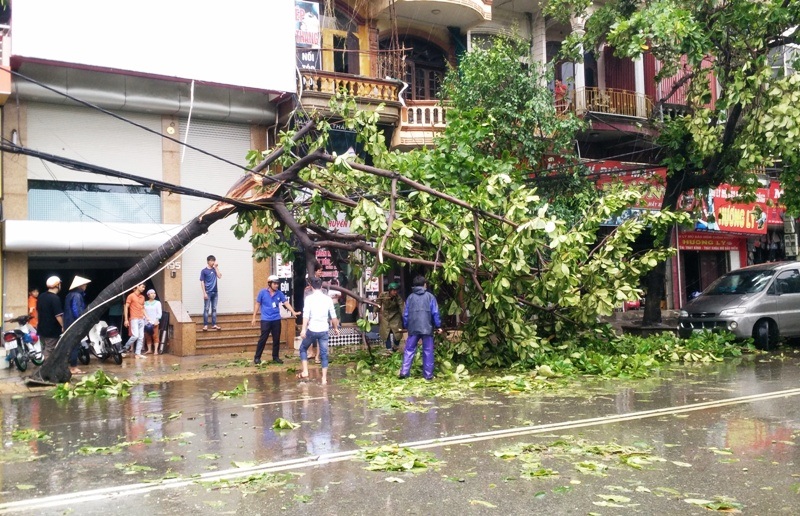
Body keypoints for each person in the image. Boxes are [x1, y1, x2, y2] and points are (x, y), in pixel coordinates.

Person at [399, 275, 442, 381]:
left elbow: (406, 314)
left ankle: (404, 372)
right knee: (428, 351)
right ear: (425, 285)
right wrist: (438, 326)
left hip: (413, 328)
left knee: (409, 350)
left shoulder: (410, 298)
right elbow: (435, 313)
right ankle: (428, 375)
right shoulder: (430, 297)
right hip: (427, 328)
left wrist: (406, 325)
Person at [297, 277, 340, 384]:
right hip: (324, 330)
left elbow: (306, 315)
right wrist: (335, 328)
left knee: (303, 348)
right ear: (321, 286)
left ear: (311, 286)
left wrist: (303, 329)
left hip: (312, 330)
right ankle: (324, 378)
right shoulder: (328, 299)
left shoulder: (309, 299)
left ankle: (305, 371)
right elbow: (333, 317)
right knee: (324, 354)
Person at [252, 275, 298, 365]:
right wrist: (254, 317)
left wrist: (293, 312)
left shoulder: (279, 293)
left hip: (276, 319)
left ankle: (275, 357)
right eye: (275, 283)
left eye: (277, 284)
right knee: (263, 339)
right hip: (265, 320)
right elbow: (257, 304)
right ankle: (257, 357)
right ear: (269, 283)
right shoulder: (262, 292)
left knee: (276, 339)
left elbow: (286, 303)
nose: (276, 285)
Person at [63, 275, 91, 375]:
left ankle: (71, 365)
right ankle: (73, 367)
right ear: (81, 285)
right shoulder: (77, 296)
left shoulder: (69, 295)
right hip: (74, 323)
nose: (86, 286)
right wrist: (81, 320)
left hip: (68, 323)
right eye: (85, 285)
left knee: (70, 345)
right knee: (75, 345)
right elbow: (76, 311)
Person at [36, 276, 64, 361]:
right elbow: (58, 315)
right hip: (52, 330)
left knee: (45, 348)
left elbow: (38, 311)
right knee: (49, 350)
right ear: (57, 285)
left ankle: (45, 368)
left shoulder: (41, 296)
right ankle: (46, 369)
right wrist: (63, 326)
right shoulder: (55, 298)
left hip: (41, 328)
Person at [377, 282, 404, 352]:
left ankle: (395, 346)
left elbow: (402, 307)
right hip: (386, 316)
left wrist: (404, 316)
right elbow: (378, 303)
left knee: (398, 333)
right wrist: (375, 312)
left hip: (395, 316)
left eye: (396, 290)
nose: (395, 292)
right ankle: (389, 349)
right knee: (386, 333)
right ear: (390, 290)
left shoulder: (398, 298)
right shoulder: (383, 295)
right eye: (394, 290)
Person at [123, 283, 147, 358]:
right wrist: (126, 319)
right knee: (135, 336)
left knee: (141, 337)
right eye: (142, 287)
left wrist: (147, 316)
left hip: (141, 318)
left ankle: (138, 353)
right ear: (137, 286)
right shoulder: (131, 296)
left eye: (144, 287)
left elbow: (142, 308)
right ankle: (125, 348)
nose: (143, 289)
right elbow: (126, 307)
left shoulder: (142, 297)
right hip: (134, 318)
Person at [200, 255, 222, 331]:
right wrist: (204, 293)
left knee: (214, 308)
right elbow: (202, 282)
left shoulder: (214, 269)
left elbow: (219, 276)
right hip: (208, 292)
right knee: (206, 308)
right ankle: (205, 325)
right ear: (208, 261)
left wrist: (216, 267)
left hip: (215, 292)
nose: (213, 262)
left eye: (214, 261)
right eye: (212, 261)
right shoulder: (204, 271)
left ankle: (214, 324)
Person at [143, 289, 163, 355]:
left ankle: (156, 350)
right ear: (148, 295)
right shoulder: (144, 303)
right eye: (151, 293)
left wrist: (157, 320)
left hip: (155, 322)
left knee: (155, 336)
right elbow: (143, 312)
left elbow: (159, 313)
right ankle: (149, 350)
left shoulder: (157, 303)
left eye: (154, 293)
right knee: (147, 336)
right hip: (146, 322)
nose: (153, 294)